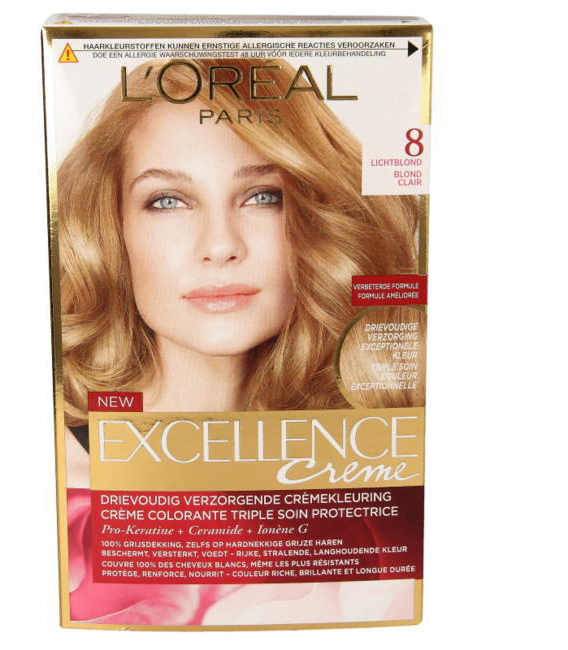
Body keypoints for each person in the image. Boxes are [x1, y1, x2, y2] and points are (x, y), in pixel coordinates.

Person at [58, 58, 419, 625]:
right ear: (112, 228)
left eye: (263, 196)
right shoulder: (69, 476)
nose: (220, 245)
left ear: (318, 218)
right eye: (167, 200)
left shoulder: (373, 459)